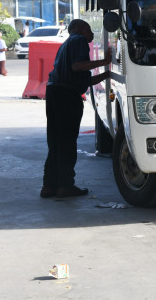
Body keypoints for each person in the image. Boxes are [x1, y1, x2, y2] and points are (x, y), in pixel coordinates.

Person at [41, 19, 111, 198]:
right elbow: (78, 66)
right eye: (88, 28)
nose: (92, 33)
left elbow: (81, 78)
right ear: (79, 29)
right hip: (67, 96)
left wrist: (106, 74)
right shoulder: (79, 40)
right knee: (67, 142)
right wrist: (105, 61)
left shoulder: (66, 45)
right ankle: (65, 186)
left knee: (55, 141)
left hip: (54, 91)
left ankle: (49, 186)